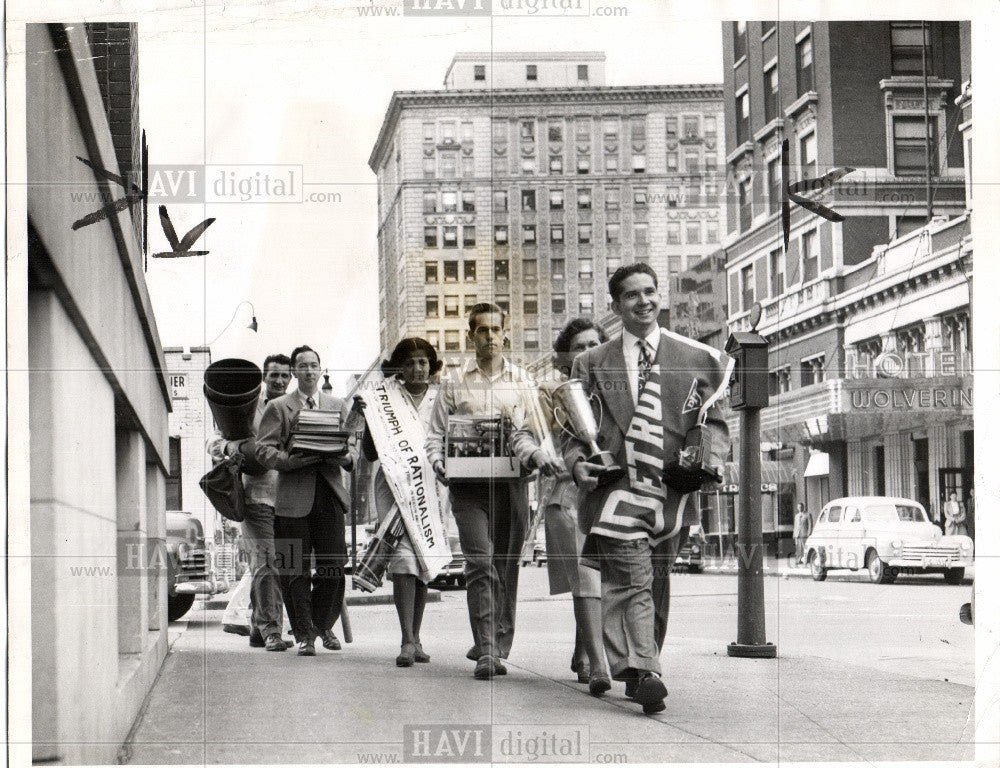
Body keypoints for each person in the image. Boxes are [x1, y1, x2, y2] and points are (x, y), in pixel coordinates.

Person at [565, 264, 731, 714]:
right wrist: (578, 465)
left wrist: (706, 465)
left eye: (650, 291)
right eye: (632, 295)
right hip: (616, 492)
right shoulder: (591, 363)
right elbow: (571, 434)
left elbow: (714, 424)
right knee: (632, 578)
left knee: (654, 582)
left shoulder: (695, 358)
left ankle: (640, 666)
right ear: (617, 306)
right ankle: (644, 670)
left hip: (670, 495)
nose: (644, 301)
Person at [426, 302, 561, 680]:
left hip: (511, 485)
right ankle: (486, 648)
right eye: (480, 330)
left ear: (505, 334)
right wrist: (438, 462)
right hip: (468, 488)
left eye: (494, 330)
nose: (488, 337)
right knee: (479, 563)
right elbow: (436, 434)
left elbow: (536, 430)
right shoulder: (453, 382)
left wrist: (539, 457)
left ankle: (500, 641)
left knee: (504, 566)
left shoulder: (522, 380)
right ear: (470, 336)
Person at [255, 345, 357, 656]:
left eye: (314, 365)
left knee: (333, 567)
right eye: (303, 366)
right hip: (289, 499)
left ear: (320, 368)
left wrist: (344, 456)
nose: (309, 371)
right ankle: (304, 635)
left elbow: (352, 449)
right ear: (295, 372)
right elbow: (262, 450)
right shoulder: (278, 407)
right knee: (290, 568)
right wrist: (288, 461)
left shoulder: (339, 406)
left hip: (328, 495)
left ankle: (321, 624)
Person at [361, 338, 446, 667]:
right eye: (409, 363)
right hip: (393, 485)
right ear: (399, 367)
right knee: (403, 557)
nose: (417, 369)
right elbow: (369, 453)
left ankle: (416, 637)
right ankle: (406, 639)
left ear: (431, 365)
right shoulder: (384, 399)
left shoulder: (440, 399)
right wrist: (368, 419)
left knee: (424, 561)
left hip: (431, 484)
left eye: (423, 362)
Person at [537, 318, 611, 696]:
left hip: (608, 492)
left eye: (595, 343)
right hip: (566, 493)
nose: (589, 350)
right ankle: (599, 664)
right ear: (565, 357)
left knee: (602, 577)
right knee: (586, 578)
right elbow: (532, 436)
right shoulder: (549, 392)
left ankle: (584, 653)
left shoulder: (614, 388)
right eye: (580, 346)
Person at [207, 353, 294, 652]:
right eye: (273, 375)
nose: (279, 380)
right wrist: (234, 447)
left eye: (284, 375)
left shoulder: (296, 408)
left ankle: (260, 628)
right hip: (256, 496)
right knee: (266, 562)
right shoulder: (249, 409)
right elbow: (214, 442)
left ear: (291, 378)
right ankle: (272, 631)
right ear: (264, 378)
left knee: (279, 564)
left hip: (290, 498)